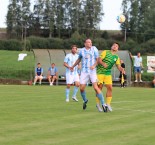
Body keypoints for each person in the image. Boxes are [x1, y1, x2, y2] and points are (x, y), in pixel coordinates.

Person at [71, 39, 107, 112]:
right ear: (85, 43)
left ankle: (103, 104)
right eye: (88, 42)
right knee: (81, 88)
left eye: (91, 42)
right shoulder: (82, 51)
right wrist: (73, 66)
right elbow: (79, 59)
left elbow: (97, 59)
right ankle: (85, 100)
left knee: (95, 87)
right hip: (84, 71)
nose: (90, 43)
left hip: (92, 71)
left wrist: (94, 65)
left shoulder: (94, 49)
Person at [96, 42, 124, 112]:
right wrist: (103, 63)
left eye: (116, 46)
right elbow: (99, 60)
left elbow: (118, 66)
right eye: (114, 45)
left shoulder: (116, 57)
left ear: (117, 49)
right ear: (111, 47)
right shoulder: (105, 52)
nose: (114, 46)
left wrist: (122, 70)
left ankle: (108, 104)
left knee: (110, 88)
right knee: (99, 88)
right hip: (100, 72)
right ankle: (98, 104)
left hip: (108, 73)